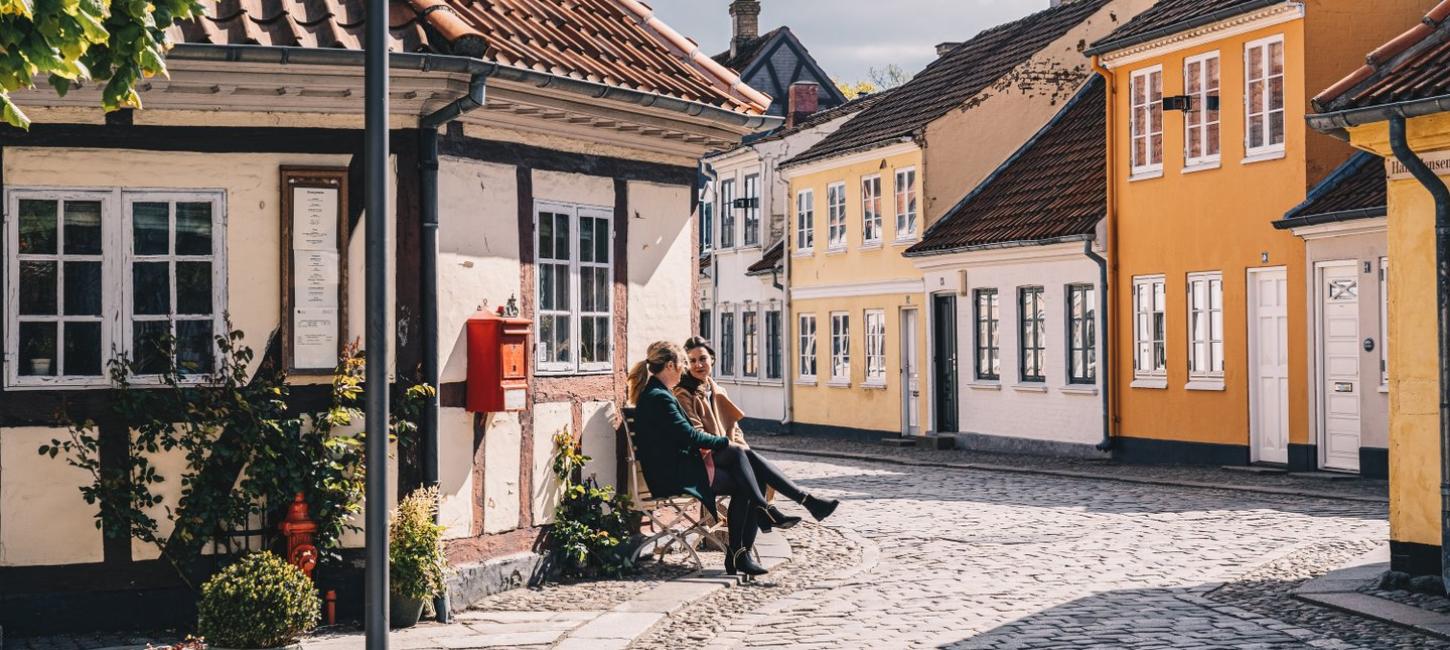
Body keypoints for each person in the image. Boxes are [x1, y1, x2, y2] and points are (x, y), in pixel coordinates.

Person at [626, 341, 835, 577]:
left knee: (746, 473)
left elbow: (685, 437)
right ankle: (772, 516)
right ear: (670, 365)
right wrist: (724, 443)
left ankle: (750, 539)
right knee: (740, 460)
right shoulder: (659, 397)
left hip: (678, 468)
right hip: (672, 475)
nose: (686, 368)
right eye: (684, 363)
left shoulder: (658, 393)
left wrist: (727, 444)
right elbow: (690, 436)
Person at [673, 336, 837, 535]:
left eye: (703, 358)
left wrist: (742, 454)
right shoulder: (683, 393)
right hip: (703, 459)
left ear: (712, 360)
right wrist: (738, 453)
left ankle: (743, 552)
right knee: (749, 473)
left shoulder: (717, 390)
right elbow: (697, 434)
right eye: (692, 361)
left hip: (725, 456)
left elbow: (736, 430)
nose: (698, 364)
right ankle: (799, 504)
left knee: (754, 472)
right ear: (685, 364)